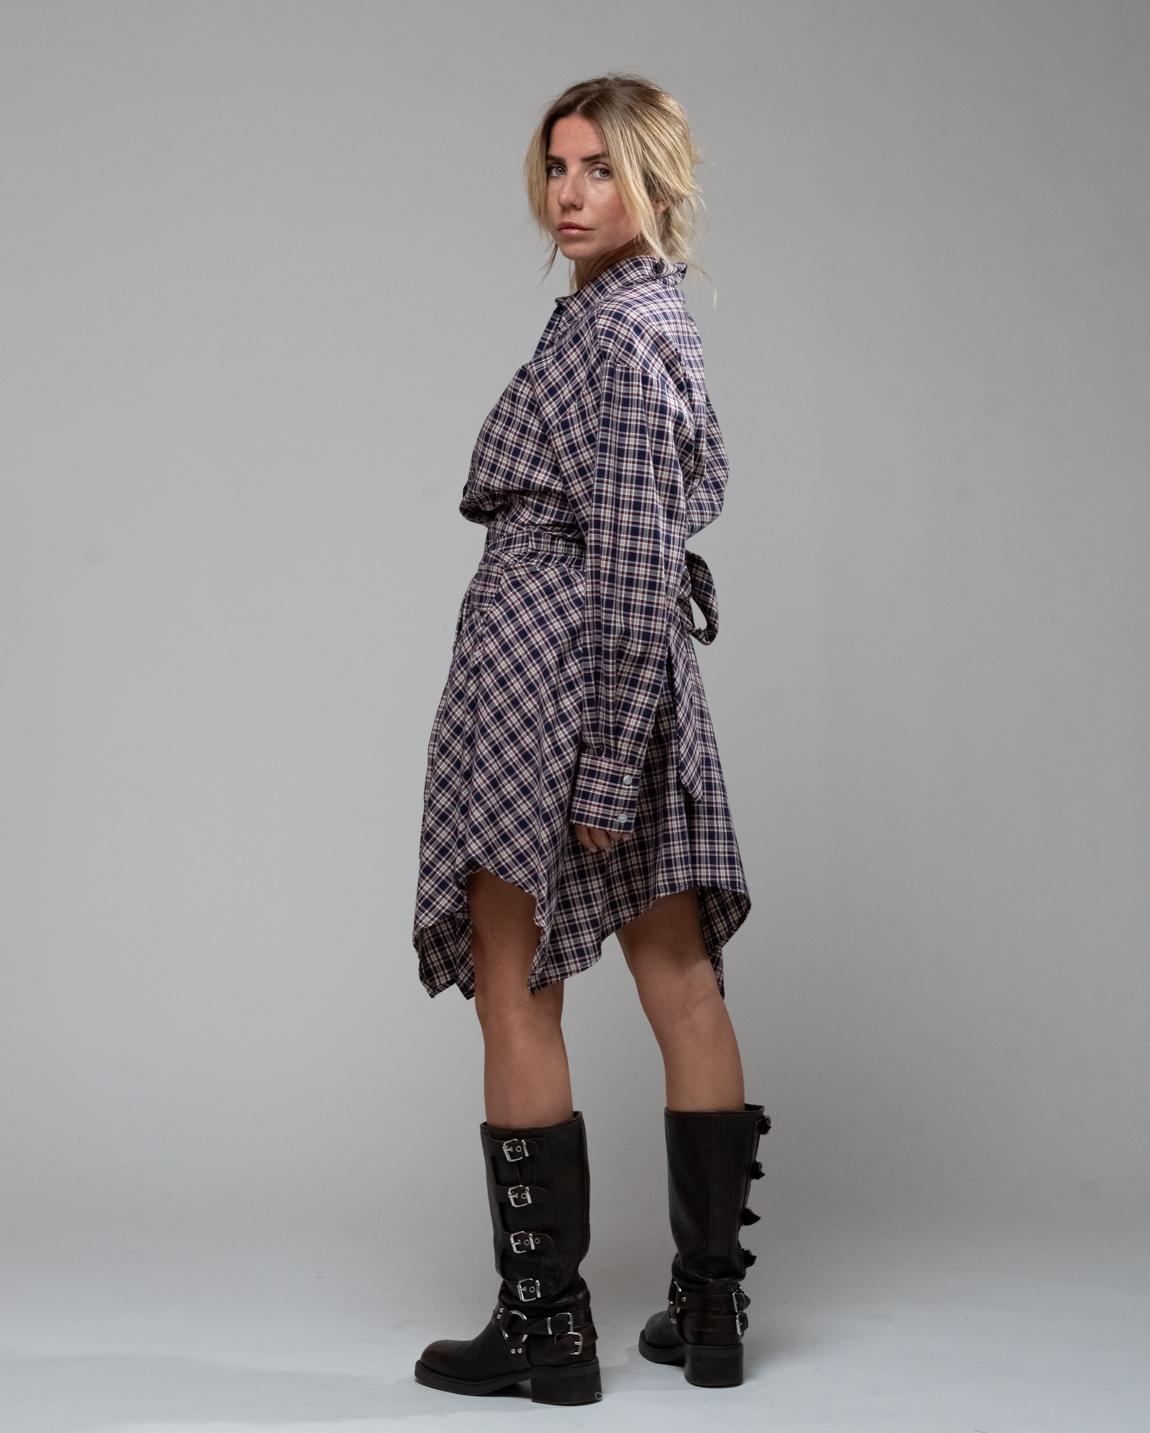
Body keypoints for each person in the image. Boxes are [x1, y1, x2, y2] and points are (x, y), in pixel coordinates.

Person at [411, 74, 771, 1404]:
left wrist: (605, 766)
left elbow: (628, 554)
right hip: (619, 670)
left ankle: (545, 1329)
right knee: (679, 980)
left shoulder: (614, 337)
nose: (569, 194)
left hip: (556, 677)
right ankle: (710, 1314)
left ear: (655, 183)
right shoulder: (639, 317)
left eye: (600, 169)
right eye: (557, 167)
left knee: (517, 987)